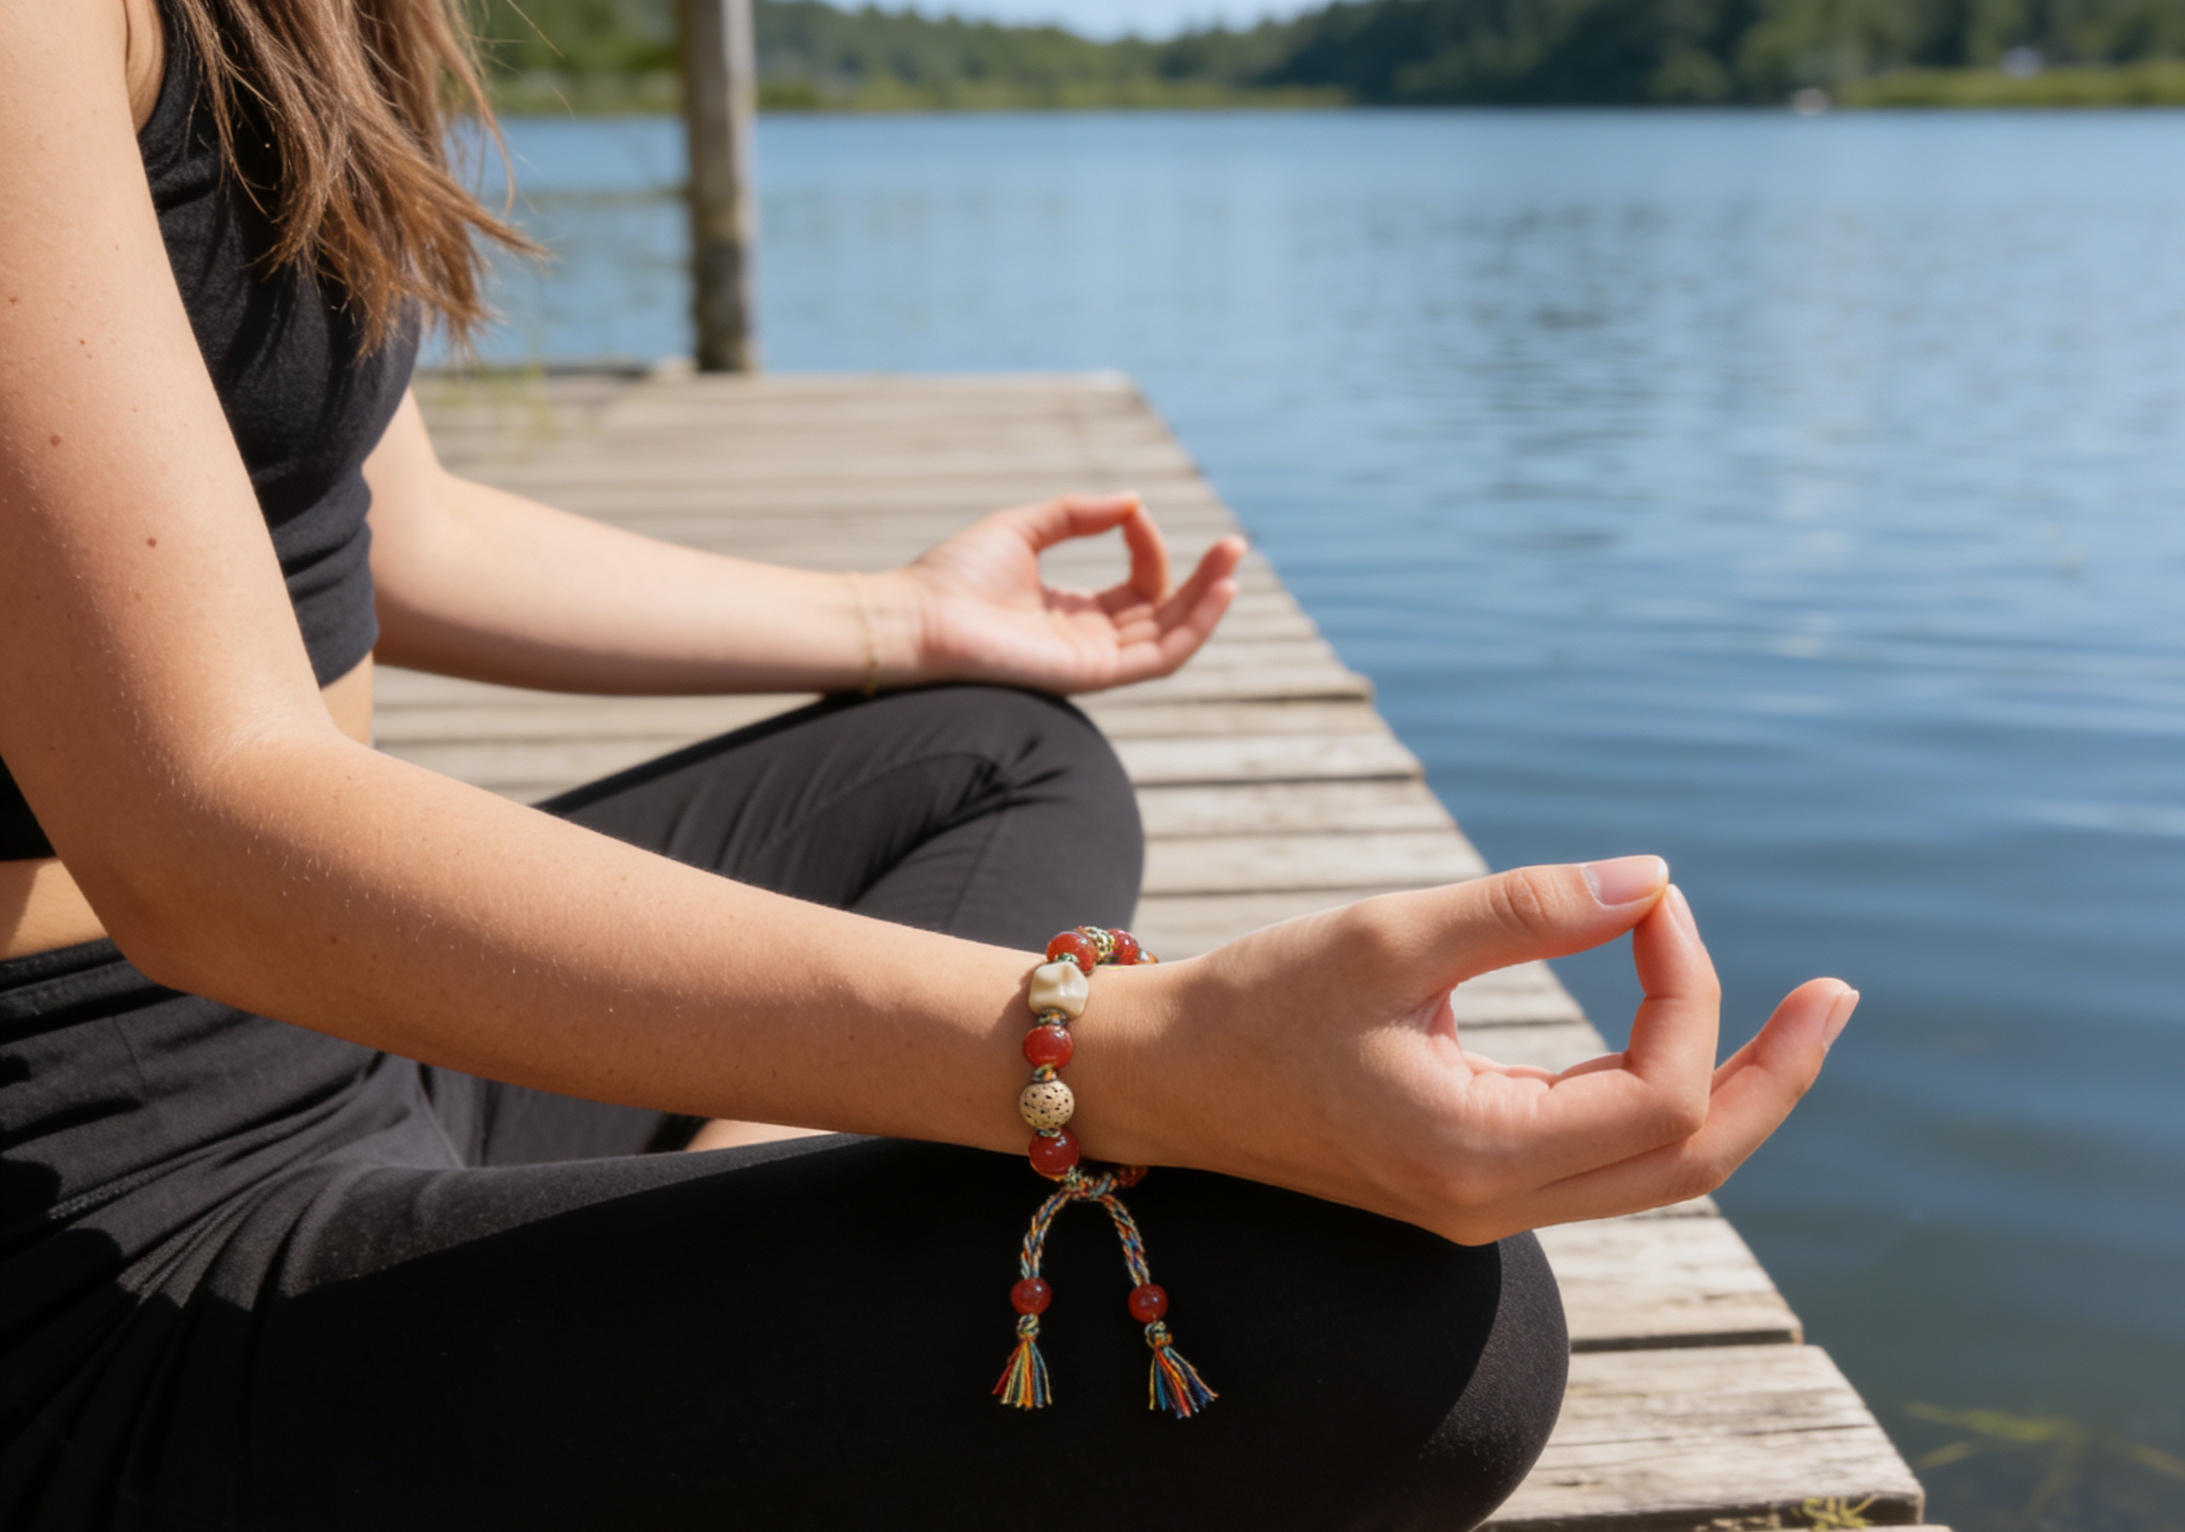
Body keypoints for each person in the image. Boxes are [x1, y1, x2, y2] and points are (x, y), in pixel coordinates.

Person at [0, 0, 1859, 1525]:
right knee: (1406, 1325)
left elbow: (378, 528)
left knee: (997, 758)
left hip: (350, 1046)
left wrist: (898, 623)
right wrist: (1125, 1057)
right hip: (113, 1250)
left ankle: (673, 1299)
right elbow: (199, 829)